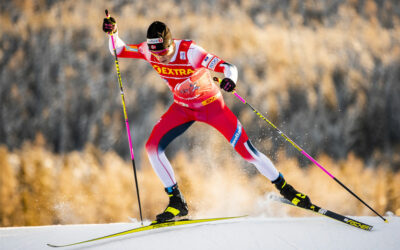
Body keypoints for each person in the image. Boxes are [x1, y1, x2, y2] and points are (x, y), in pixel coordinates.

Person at [102, 16, 312, 223]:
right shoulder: (148, 51)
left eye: (164, 52)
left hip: (212, 107)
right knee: (152, 148)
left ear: (170, 44)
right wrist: (114, 33)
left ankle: (287, 190)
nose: (161, 58)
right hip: (182, 109)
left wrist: (230, 80)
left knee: (247, 152)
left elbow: (229, 68)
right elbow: (118, 50)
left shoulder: (191, 52)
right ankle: (177, 202)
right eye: (156, 54)